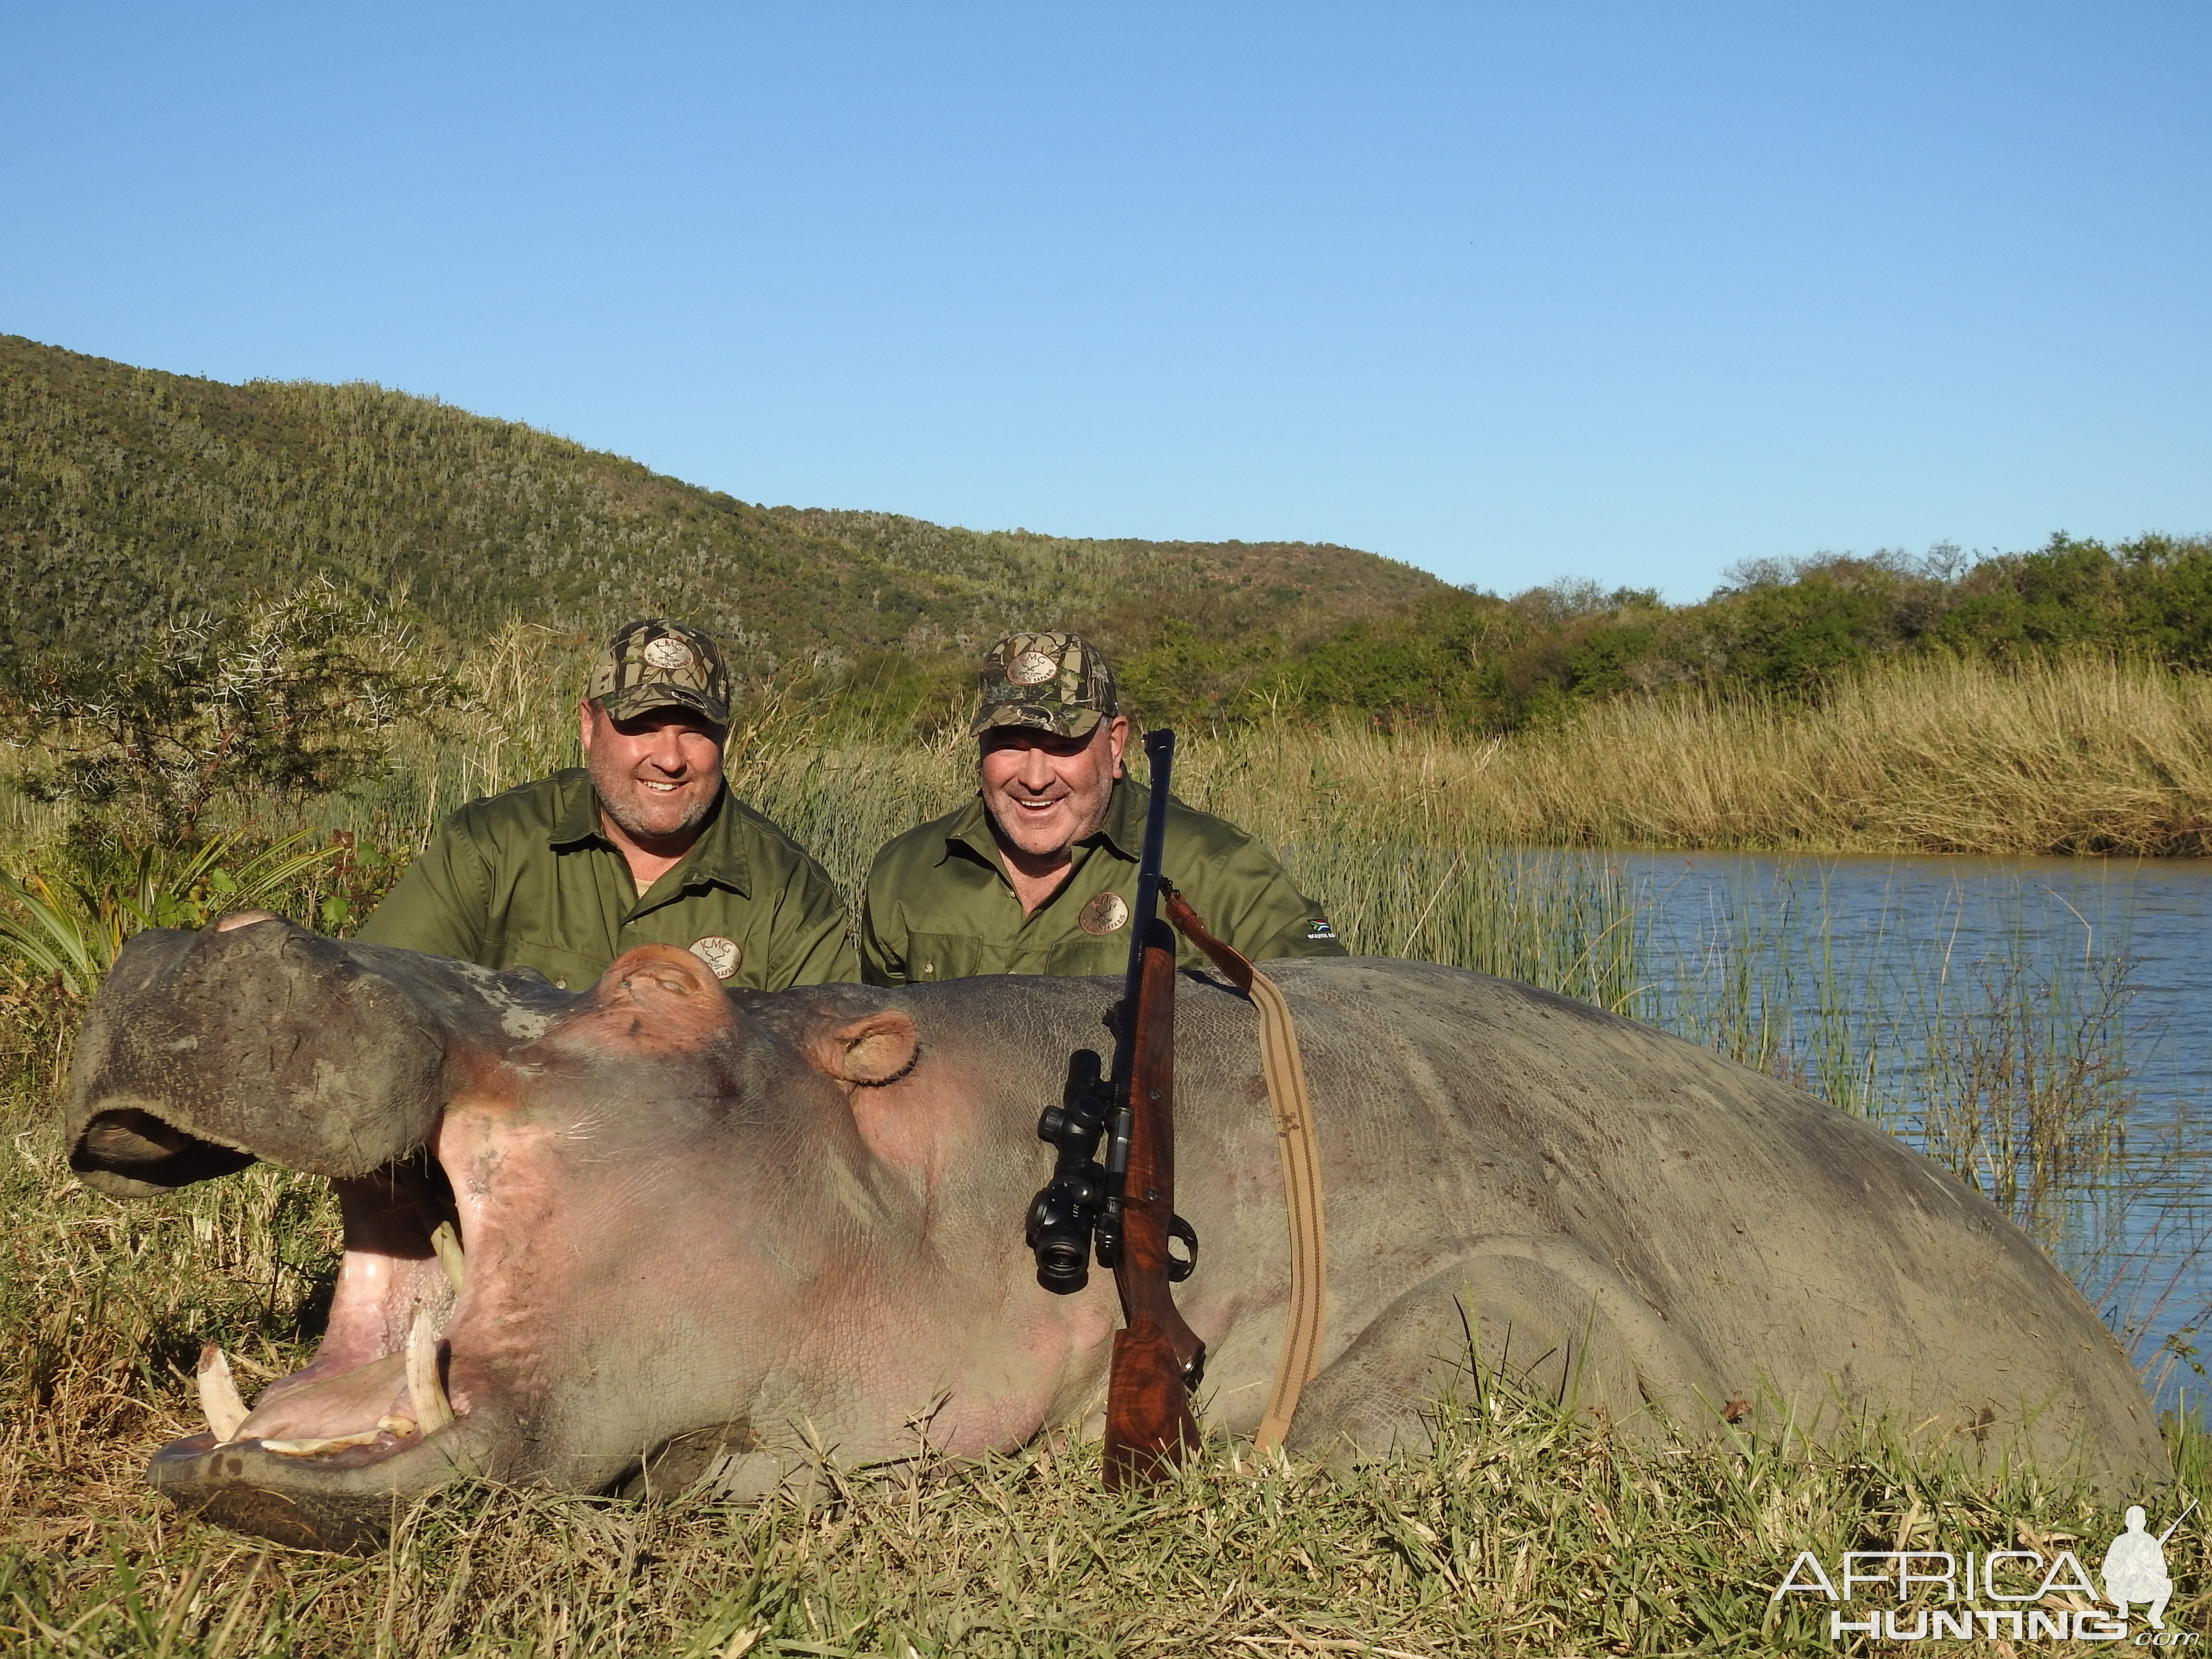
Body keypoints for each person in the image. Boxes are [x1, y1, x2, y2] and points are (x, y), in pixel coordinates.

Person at [357, 619, 856, 990]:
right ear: (589, 726)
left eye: (695, 732)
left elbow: (821, 1081)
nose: (669, 759)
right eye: (641, 726)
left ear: (725, 739)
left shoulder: (791, 892)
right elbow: (378, 994)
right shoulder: (492, 845)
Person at [860, 630, 1345, 985]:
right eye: (1009, 743)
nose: (1034, 778)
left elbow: (1330, 1006)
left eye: (1062, 743)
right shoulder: (906, 872)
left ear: (1115, 746)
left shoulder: (1222, 870)